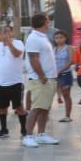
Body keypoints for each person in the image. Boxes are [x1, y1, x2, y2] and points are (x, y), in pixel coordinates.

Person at [22, 13, 59, 148]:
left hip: (49, 78)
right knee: (37, 108)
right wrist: (42, 76)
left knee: (45, 108)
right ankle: (28, 136)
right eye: (48, 21)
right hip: (40, 79)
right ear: (45, 22)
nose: (49, 23)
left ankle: (42, 135)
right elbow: (33, 59)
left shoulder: (41, 37)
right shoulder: (33, 38)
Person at [0, 24, 28, 138]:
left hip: (15, 82)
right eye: (1, 32)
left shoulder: (18, 43)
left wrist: (9, 43)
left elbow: (17, 54)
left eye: (7, 32)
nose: (5, 34)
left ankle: (24, 130)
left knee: (19, 107)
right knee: (2, 108)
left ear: (12, 33)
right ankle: (3, 129)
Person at [53, 30, 75, 122]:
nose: (58, 39)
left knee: (66, 95)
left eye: (61, 37)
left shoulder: (69, 48)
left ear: (65, 38)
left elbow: (71, 61)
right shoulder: (53, 48)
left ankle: (67, 116)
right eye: (56, 38)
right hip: (54, 74)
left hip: (65, 74)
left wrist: (60, 71)